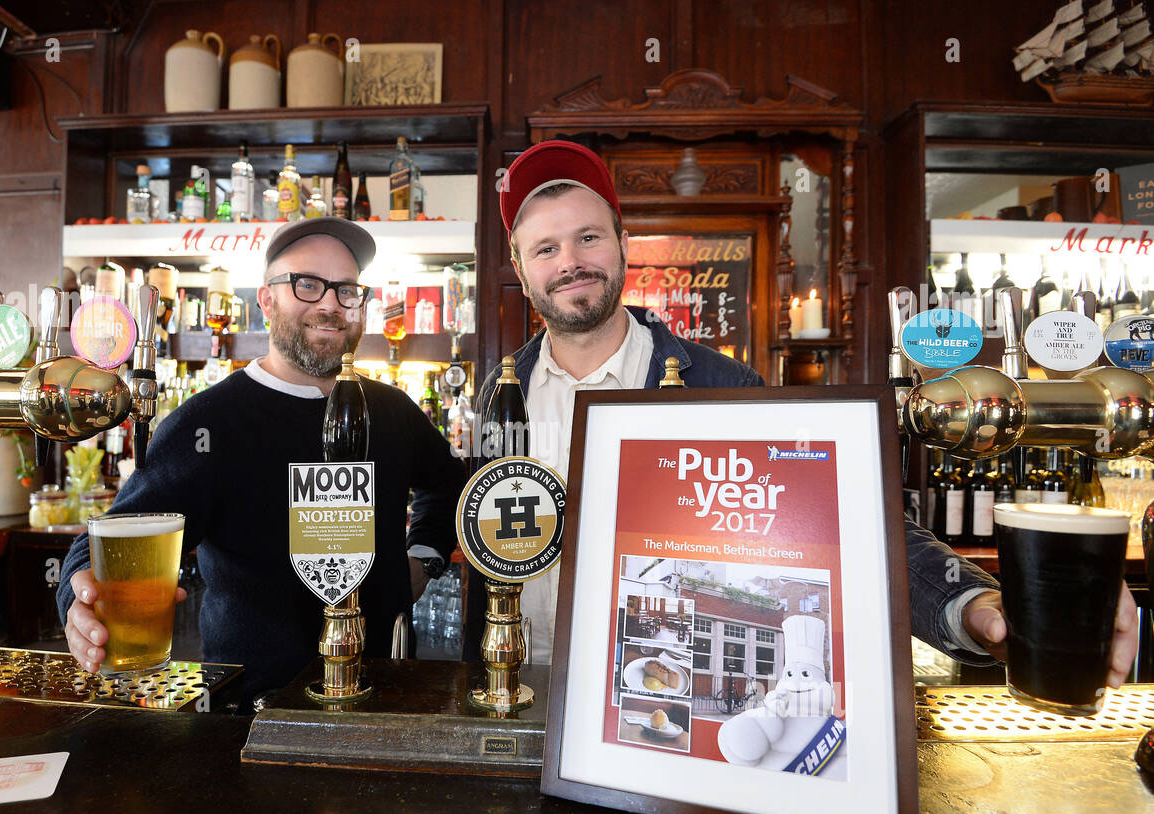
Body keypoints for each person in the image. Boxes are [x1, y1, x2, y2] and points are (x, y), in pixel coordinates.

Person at [472, 139, 1138, 682]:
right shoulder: (499, 397)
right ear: (520, 267)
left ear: (622, 240)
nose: (570, 263)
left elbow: (849, 518)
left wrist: (979, 606)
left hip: (666, 700)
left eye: (588, 238)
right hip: (523, 686)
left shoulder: (723, 385)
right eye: (546, 249)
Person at [58, 219, 466, 705]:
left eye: (347, 290)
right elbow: (113, 537)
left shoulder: (391, 410)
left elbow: (452, 485)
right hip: (248, 712)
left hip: (383, 695)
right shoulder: (209, 422)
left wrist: (424, 559)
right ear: (266, 301)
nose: (330, 304)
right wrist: (76, 597)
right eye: (307, 285)